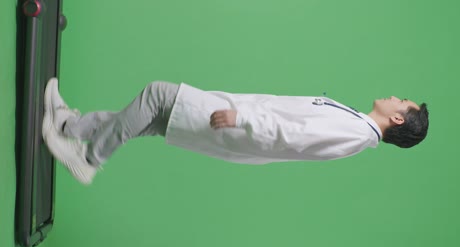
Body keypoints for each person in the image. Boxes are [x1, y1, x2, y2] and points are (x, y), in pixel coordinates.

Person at [42, 78, 429, 185]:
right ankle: (68, 126)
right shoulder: (357, 124)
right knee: (153, 117)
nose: (396, 97)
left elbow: (296, 135)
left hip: (240, 127)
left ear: (398, 119)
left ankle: (89, 158)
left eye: (403, 102)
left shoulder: (355, 132)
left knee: (158, 96)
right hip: (241, 124)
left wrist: (242, 118)